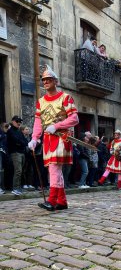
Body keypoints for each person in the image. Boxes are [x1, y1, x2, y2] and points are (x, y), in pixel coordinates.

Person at [28, 65, 79, 210]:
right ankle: (62, 202)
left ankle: (51, 200)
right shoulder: (41, 101)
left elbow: (74, 118)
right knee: (54, 169)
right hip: (47, 139)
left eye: (49, 80)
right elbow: (38, 121)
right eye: (44, 80)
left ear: (55, 81)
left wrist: (56, 126)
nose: (46, 82)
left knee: (54, 169)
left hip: (61, 137)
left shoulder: (65, 98)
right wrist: (34, 138)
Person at [7, 116, 27, 196]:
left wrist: (22, 143)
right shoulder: (10, 131)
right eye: (17, 121)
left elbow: (24, 141)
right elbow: (16, 140)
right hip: (15, 153)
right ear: (12, 121)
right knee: (18, 170)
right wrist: (21, 143)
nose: (19, 123)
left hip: (21, 152)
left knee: (21, 170)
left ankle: (19, 186)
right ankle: (15, 188)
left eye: (20, 121)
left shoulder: (18, 131)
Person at [20, 125, 35, 190]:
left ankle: (29, 183)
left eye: (28, 129)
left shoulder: (30, 137)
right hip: (24, 154)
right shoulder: (21, 137)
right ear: (22, 130)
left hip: (30, 155)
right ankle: (24, 183)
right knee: (24, 169)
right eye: (26, 129)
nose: (28, 130)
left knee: (30, 170)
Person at [0, 123, 9, 194]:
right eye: (5, 127)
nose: (7, 128)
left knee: (2, 170)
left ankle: (2, 187)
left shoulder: (6, 134)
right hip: (1, 152)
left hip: (4, 153)